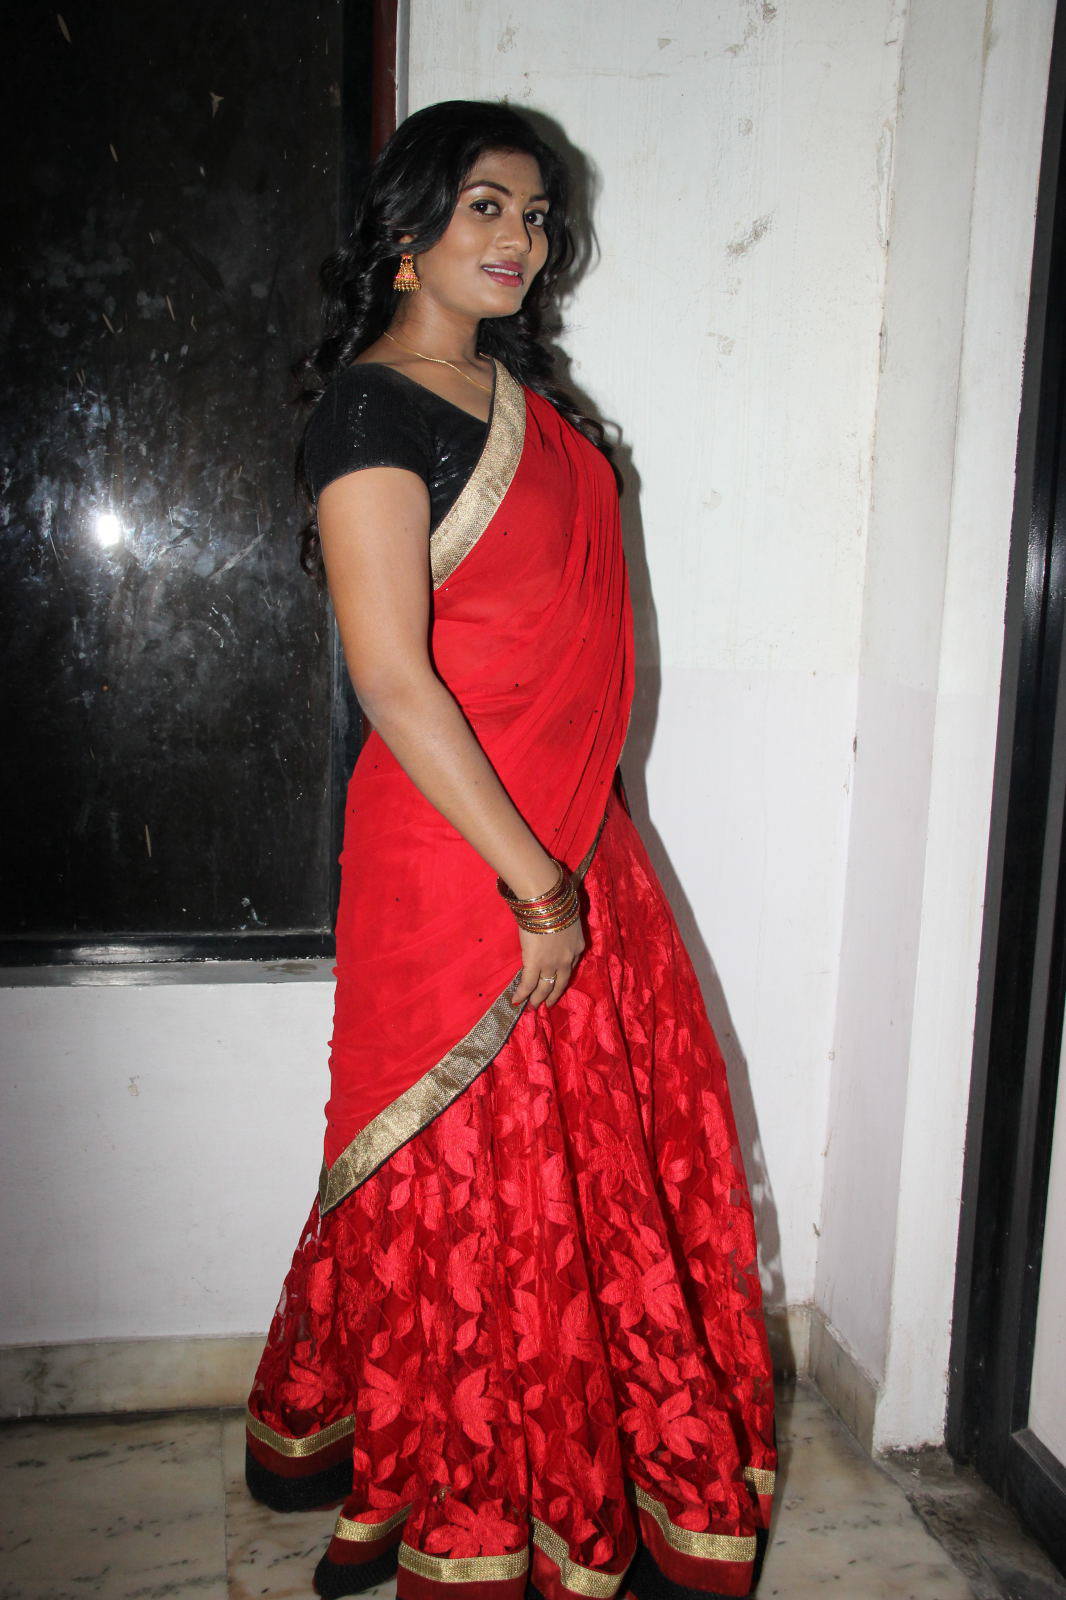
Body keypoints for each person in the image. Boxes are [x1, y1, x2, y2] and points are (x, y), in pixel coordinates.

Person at [244, 99, 777, 1600]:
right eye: (485, 205)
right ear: (407, 230)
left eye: (537, 217)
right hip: (461, 858)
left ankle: (590, 1469)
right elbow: (394, 677)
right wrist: (536, 886)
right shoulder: (373, 411)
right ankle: (469, 1494)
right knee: (471, 1178)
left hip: (576, 835)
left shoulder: (531, 405)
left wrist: (580, 861)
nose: (519, 240)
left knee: (584, 1172)